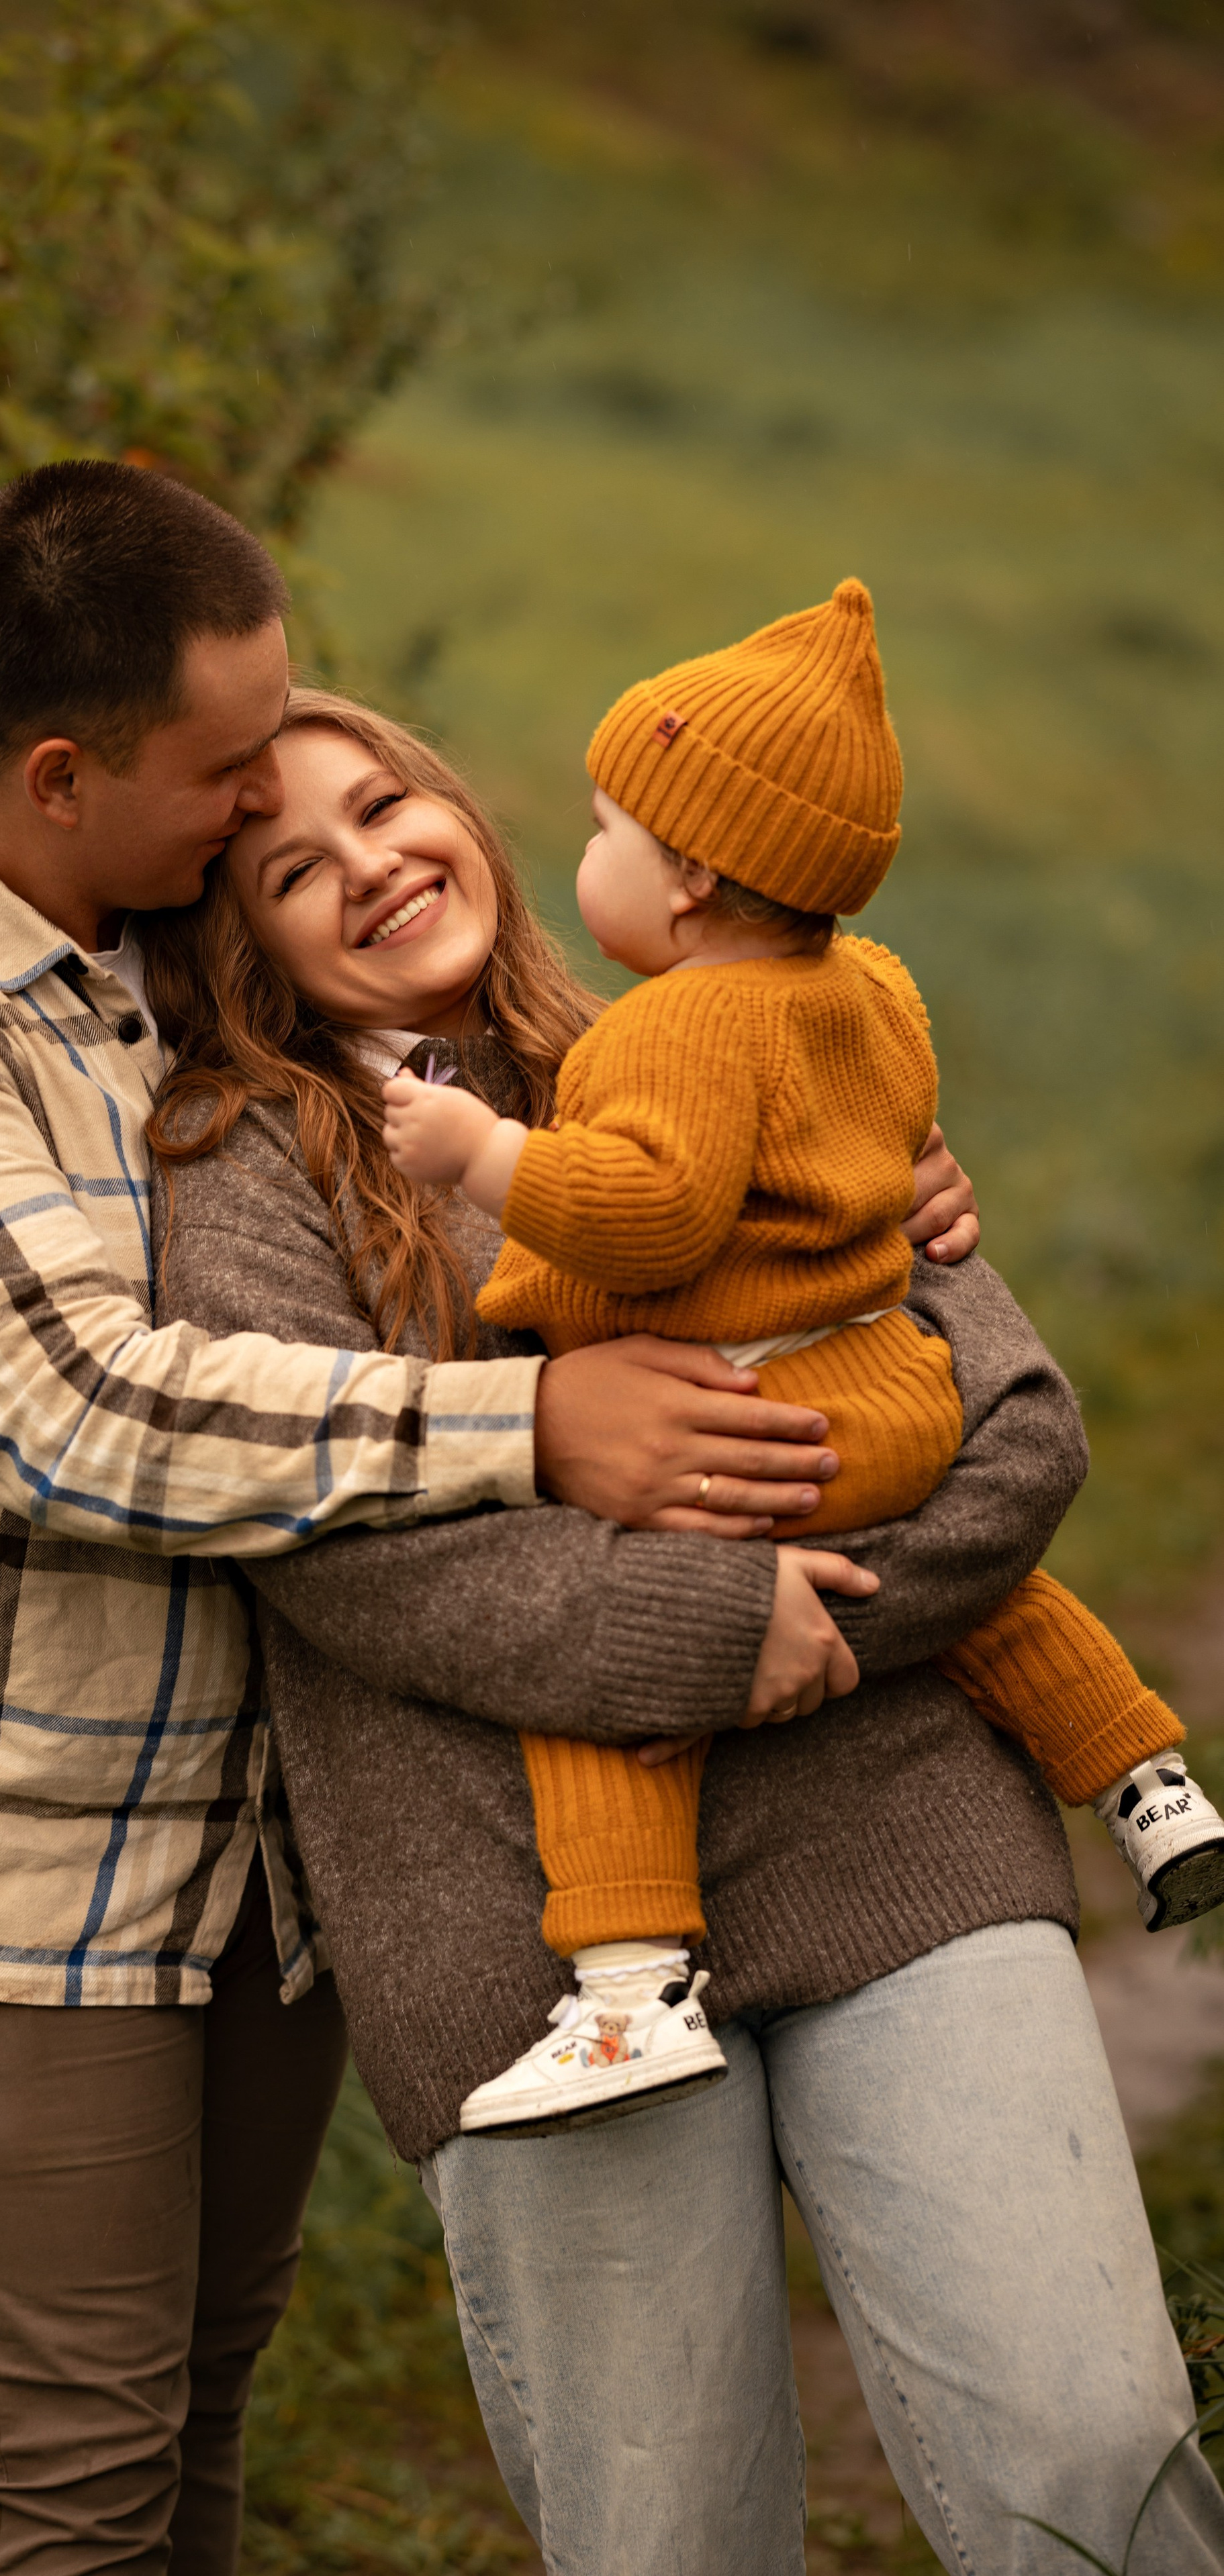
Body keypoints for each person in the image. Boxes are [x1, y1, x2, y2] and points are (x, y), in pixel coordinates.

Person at [0, 458, 868, 2575]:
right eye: (230, 768)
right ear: (62, 774)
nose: (267, 808)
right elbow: (82, 1413)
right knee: (70, 2471)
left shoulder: (150, 936)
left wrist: (833, 1187)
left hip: (258, 1847)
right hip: (18, 1865)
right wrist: (531, 1423)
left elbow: (489, 1087)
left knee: (195, 2424)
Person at [142, 683, 1224, 2573]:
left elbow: (1013, 1427)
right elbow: (342, 1554)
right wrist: (713, 1623)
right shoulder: (243, 1173)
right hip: (530, 1933)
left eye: (386, 803)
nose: (370, 865)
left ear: (461, 806)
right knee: (671, 2537)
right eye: (291, 864)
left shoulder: (742, 1020)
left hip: (896, 1825)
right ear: (241, 935)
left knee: (1094, 2446)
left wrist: (808, 1626)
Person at [379, 579, 1224, 2132]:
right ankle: (1144, 1780)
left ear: (690, 874)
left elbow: (651, 1215)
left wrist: (482, 1152)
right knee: (1004, 1605)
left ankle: (627, 1984)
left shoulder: (665, 1030)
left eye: (600, 831)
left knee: (616, 1706)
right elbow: (882, 1153)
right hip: (891, 1389)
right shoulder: (873, 983)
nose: (579, 861)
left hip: (753, 1414)